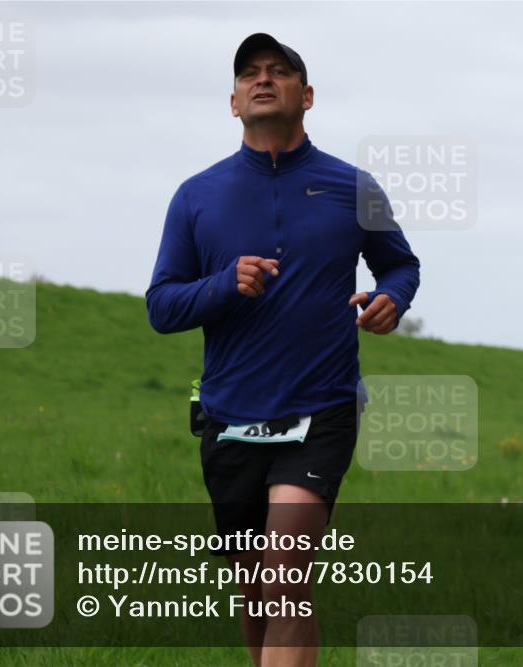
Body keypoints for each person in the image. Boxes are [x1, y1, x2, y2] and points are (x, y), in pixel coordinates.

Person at [145, 33, 420, 666]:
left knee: (286, 578)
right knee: (255, 591)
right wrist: (223, 284)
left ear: (307, 95)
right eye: (249, 74)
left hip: (320, 409)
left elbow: (400, 266)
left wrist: (391, 301)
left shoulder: (354, 188)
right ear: (234, 102)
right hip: (229, 413)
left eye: (279, 71)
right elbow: (161, 307)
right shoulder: (196, 195)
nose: (262, 80)